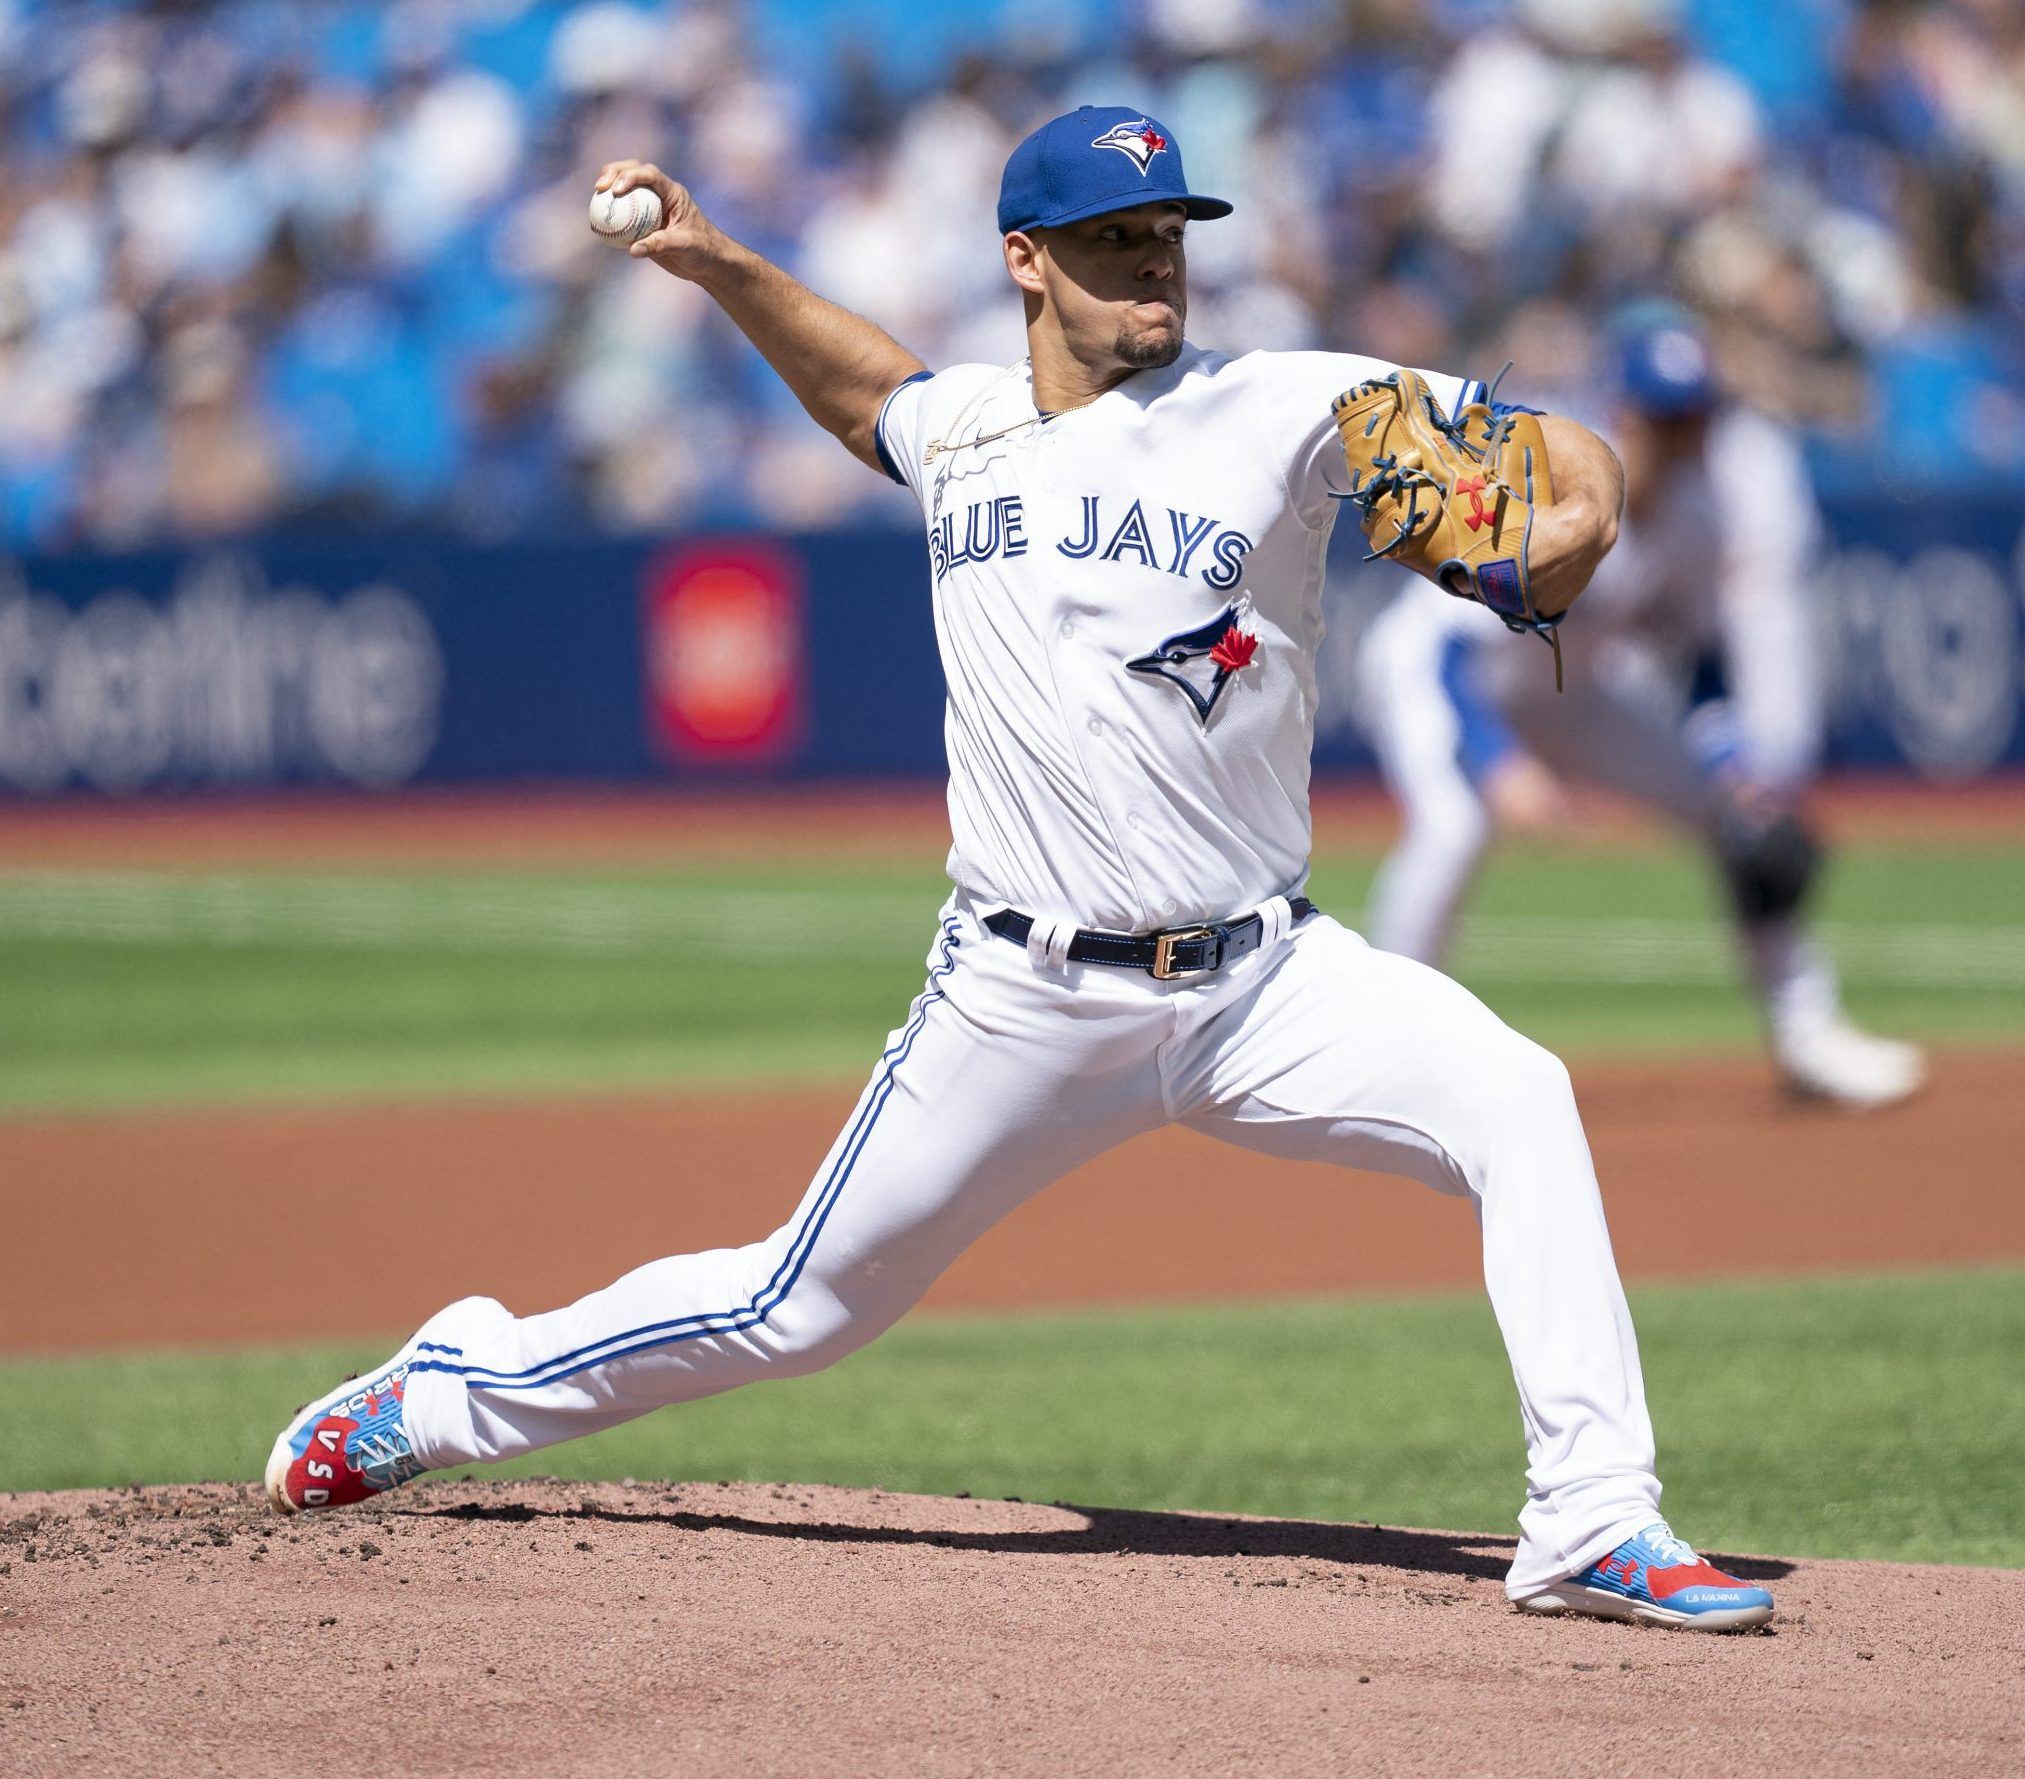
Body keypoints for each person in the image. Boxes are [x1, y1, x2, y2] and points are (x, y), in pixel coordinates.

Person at [263, 108, 1776, 1632]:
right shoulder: (967, 430)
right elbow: (872, 391)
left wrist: (1581, 503)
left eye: (1169, 237)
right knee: (797, 1303)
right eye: (1119, 241)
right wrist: (716, 258)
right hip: (1019, 996)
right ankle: (451, 1388)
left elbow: (1550, 448)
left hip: (1265, 979)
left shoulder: (1284, 404)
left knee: (1518, 1094)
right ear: (1025, 261)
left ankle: (1591, 1518)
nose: (1154, 269)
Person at [1359, 311, 1926, 1108]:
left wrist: (1735, 767)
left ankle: (1809, 1034)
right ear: (1622, 411)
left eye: (1697, 417)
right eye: (1667, 417)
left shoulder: (1702, 512)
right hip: (1439, 677)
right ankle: (1383, 1053)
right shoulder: (1543, 479)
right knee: (1456, 828)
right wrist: (1499, 763)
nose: (1686, 435)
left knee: (1737, 821)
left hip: (1572, 689)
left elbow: (1700, 662)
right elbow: (1454, 654)